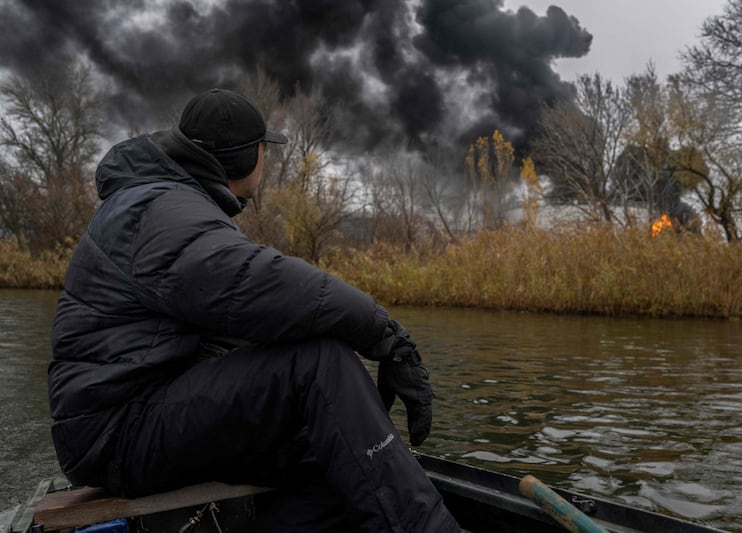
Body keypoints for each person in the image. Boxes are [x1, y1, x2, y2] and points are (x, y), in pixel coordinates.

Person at [48, 88, 460, 532]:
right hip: (118, 433)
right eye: (266, 148)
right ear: (247, 157)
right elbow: (263, 283)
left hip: (134, 417)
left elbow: (251, 320)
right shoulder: (162, 210)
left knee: (317, 431)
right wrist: (389, 338)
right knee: (319, 363)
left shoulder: (164, 201)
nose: (267, 158)